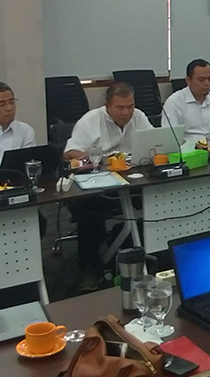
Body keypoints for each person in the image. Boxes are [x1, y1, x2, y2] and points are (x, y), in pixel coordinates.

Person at [61, 82, 153, 288]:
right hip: (99, 181)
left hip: (132, 179)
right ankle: (89, 266)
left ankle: (134, 250)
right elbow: (69, 153)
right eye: (120, 107)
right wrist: (97, 159)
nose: (126, 112)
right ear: (107, 105)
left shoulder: (139, 116)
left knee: (157, 198)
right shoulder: (91, 120)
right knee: (88, 207)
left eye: (130, 106)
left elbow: (153, 142)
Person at [163, 59, 210, 146]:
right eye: (201, 80)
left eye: (209, 79)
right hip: (190, 151)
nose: (207, 83)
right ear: (188, 80)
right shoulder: (174, 103)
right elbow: (170, 139)